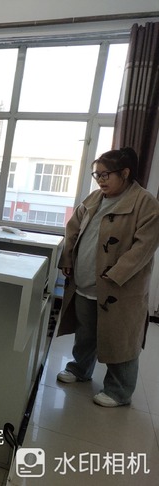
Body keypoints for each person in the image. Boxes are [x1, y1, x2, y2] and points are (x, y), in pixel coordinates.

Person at [56, 148, 159, 408]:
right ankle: (80, 369)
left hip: (119, 288)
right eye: (97, 175)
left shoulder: (145, 203)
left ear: (124, 173)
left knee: (120, 338)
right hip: (85, 282)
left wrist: (116, 273)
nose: (100, 180)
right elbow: (73, 228)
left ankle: (119, 390)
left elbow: (144, 247)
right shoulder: (95, 198)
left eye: (105, 175)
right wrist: (67, 259)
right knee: (85, 332)